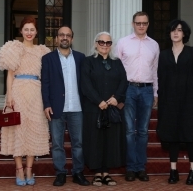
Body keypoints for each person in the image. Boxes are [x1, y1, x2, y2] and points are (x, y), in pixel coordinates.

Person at [0, 17, 50, 186]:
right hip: (18, 90)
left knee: (33, 130)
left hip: (36, 92)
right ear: (21, 31)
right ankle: (19, 169)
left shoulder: (42, 51)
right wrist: (9, 96)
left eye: (32, 29)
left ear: (36, 32)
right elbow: (10, 75)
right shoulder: (14, 48)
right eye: (26, 29)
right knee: (18, 130)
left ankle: (29, 168)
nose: (29, 33)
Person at [41, 26, 90, 187]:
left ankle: (78, 172)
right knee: (57, 143)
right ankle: (60, 173)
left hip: (77, 108)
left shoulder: (81, 58)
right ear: (56, 38)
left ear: (72, 39)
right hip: (56, 107)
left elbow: (86, 83)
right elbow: (45, 83)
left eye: (68, 35)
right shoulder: (48, 59)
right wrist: (46, 104)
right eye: (61, 35)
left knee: (78, 143)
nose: (64, 37)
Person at [116, 11, 160, 181]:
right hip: (128, 89)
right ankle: (130, 167)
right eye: (138, 23)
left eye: (144, 23)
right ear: (133, 23)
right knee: (128, 131)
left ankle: (140, 168)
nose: (141, 26)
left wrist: (156, 92)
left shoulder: (154, 45)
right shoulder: (123, 43)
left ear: (148, 24)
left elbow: (155, 71)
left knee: (142, 131)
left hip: (147, 90)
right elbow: (118, 71)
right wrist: (118, 95)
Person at [81, 31, 127, 186]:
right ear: (96, 43)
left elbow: (123, 82)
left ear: (111, 45)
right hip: (94, 108)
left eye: (108, 43)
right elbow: (85, 84)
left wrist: (117, 98)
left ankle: (106, 173)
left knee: (110, 141)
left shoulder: (117, 63)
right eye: (101, 42)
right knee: (95, 141)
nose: (105, 45)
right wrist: (98, 101)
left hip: (112, 109)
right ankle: (97, 173)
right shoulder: (88, 62)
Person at [157, 19, 193, 185]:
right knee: (172, 136)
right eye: (173, 30)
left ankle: (192, 171)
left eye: (179, 30)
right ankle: (173, 170)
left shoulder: (191, 53)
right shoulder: (163, 55)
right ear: (169, 33)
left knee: (190, 135)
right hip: (169, 101)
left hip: (189, 101)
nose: (176, 33)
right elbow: (161, 79)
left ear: (184, 33)